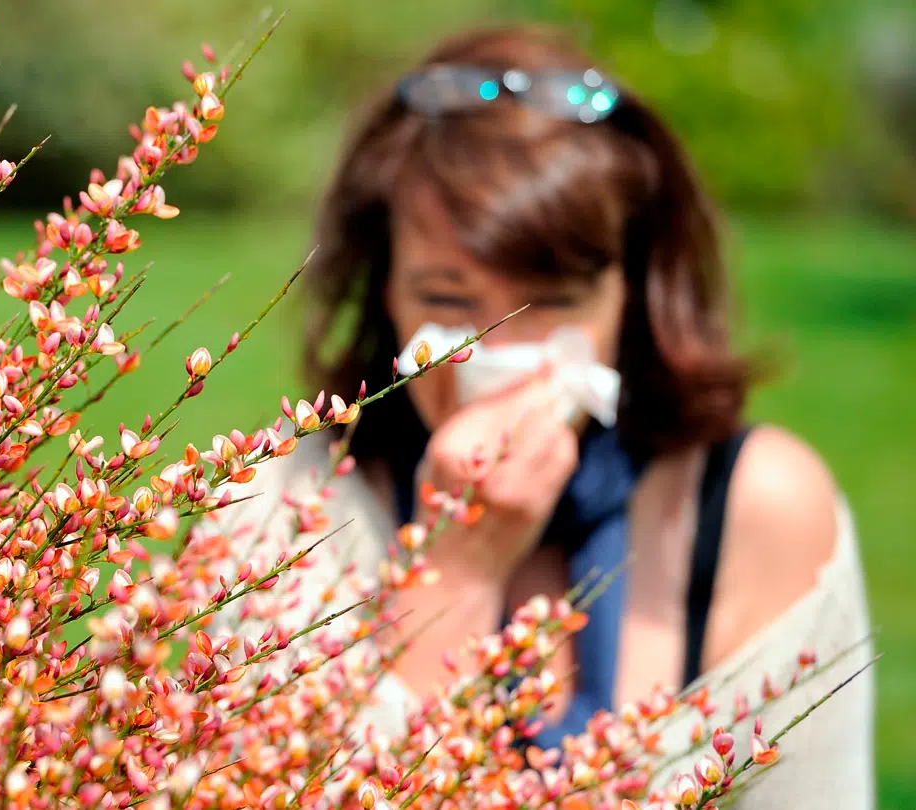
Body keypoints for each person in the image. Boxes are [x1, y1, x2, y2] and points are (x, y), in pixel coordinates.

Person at [222, 24, 875, 808]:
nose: (505, 353)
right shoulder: (287, 511)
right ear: (383, 291)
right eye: (447, 300)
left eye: (556, 302)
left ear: (632, 296)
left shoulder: (754, 511)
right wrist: (454, 571)